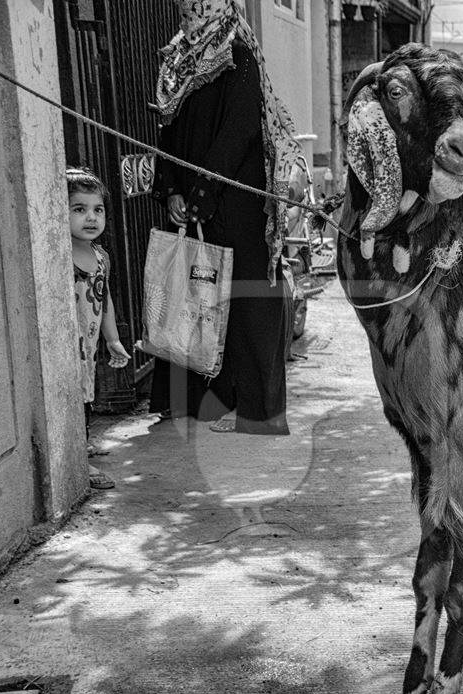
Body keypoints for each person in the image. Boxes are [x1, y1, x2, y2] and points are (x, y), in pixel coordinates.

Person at [149, 0, 305, 435]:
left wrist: (203, 192)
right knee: (190, 291)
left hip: (236, 198)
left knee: (246, 296)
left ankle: (257, 411)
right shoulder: (177, 58)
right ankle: (196, 402)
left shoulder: (237, 52)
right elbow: (166, 129)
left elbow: (240, 129)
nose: (192, 11)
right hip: (189, 199)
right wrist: (172, 190)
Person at [67, 167, 131, 490]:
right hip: (68, 348)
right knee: (74, 398)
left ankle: (83, 442)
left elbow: (104, 299)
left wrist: (113, 339)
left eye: (98, 210)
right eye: (79, 209)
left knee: (87, 397)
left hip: (89, 347)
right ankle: (81, 463)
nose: (90, 218)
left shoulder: (101, 257)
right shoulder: (62, 255)